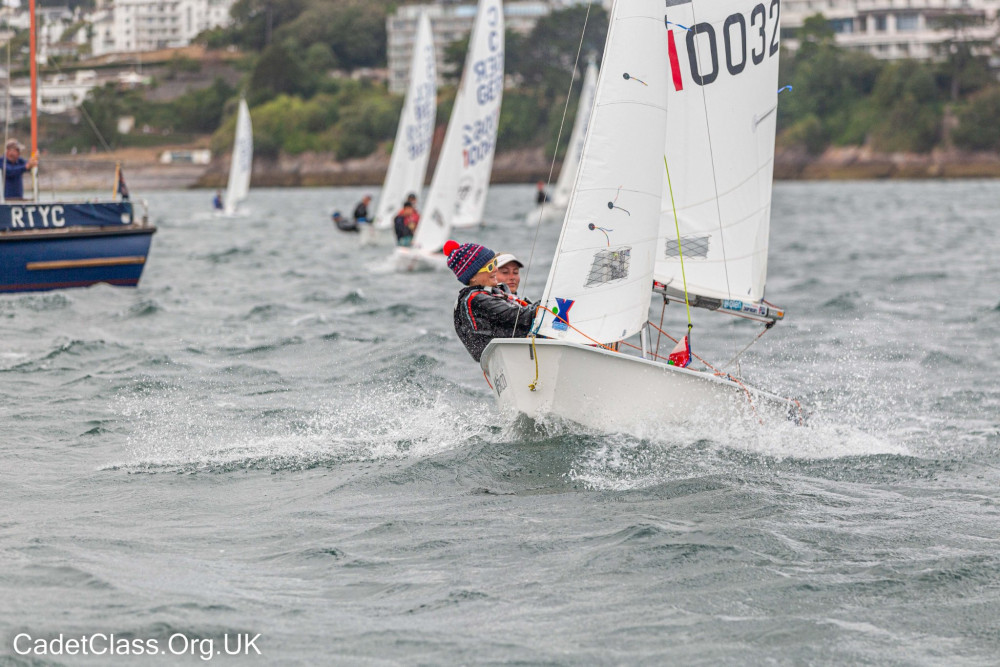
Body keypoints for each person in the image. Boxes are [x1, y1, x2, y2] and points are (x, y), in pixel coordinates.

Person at [445, 239, 537, 363]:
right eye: (489, 266)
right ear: (472, 277)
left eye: (494, 263)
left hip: (514, 349)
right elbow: (516, 315)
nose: (494, 269)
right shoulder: (475, 298)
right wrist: (550, 304)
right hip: (504, 355)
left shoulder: (490, 292)